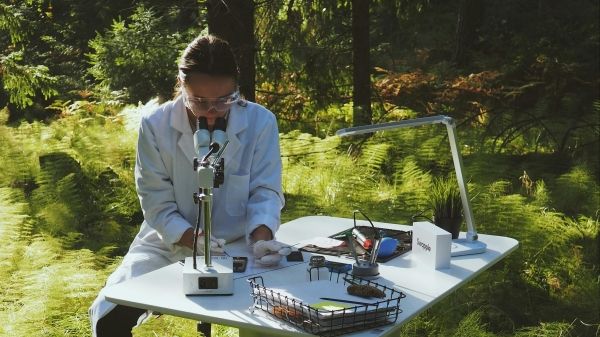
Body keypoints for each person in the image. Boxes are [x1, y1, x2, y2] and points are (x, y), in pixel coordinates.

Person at [89, 34, 288, 337]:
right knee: (111, 317)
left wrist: (261, 238)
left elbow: (265, 191)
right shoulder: (155, 125)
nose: (212, 112)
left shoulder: (261, 122)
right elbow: (155, 201)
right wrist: (190, 238)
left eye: (223, 100)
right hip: (167, 242)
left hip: (240, 243)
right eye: (199, 101)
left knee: (275, 316)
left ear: (237, 90)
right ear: (182, 88)